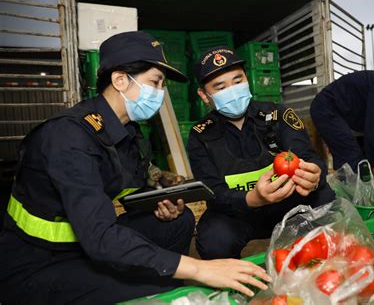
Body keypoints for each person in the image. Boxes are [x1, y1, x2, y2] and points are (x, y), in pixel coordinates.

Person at [0, 32, 270, 304]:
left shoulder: (129, 135)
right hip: (40, 261)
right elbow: (101, 236)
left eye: (162, 85)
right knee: (154, 294)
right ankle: (154, 288)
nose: (160, 93)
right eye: (155, 82)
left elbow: (127, 196)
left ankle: (158, 281)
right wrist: (199, 268)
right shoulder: (69, 137)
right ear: (120, 80)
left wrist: (158, 204)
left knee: (180, 220)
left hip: (85, 240)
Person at [187, 46, 335, 260]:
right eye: (220, 87)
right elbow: (212, 192)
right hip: (240, 214)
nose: (232, 90)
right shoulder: (200, 135)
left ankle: (320, 260)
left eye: (237, 81)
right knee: (213, 238)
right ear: (204, 95)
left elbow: (309, 157)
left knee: (325, 196)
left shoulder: (278, 114)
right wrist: (252, 198)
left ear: (247, 80)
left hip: (288, 205)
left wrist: (314, 175)